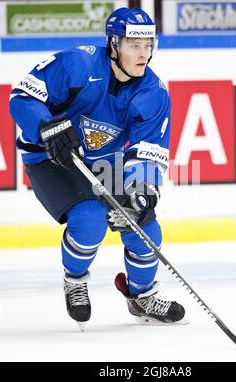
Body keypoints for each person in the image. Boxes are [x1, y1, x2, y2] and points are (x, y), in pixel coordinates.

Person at [10, 7, 185, 328]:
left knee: (144, 225)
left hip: (104, 161)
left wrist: (142, 189)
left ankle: (141, 296)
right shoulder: (77, 64)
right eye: (134, 45)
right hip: (49, 157)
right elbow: (21, 97)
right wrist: (46, 126)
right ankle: (75, 280)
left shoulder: (153, 93)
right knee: (89, 219)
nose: (143, 54)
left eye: (148, 45)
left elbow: (150, 150)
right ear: (113, 44)